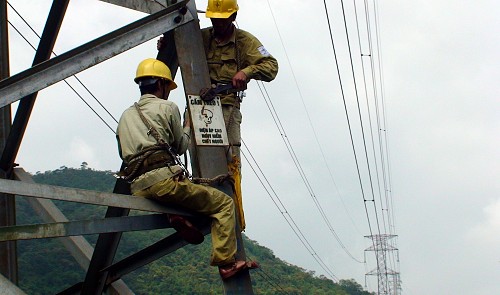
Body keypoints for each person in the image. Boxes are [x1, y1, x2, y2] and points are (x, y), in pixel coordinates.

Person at [116, 58, 257, 279]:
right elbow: (181, 146)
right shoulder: (167, 107)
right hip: (164, 183)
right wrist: (188, 126)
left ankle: (175, 215)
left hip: (139, 186)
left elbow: (123, 153)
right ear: (162, 85)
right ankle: (226, 263)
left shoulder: (126, 115)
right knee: (222, 205)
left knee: (187, 195)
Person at [157, 0, 279, 231]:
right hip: (199, 107)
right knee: (192, 153)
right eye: (214, 19)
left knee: (229, 163)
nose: (217, 24)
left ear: (233, 18)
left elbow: (271, 66)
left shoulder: (245, 42)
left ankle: (232, 215)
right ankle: (198, 207)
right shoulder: (201, 37)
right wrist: (167, 46)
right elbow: (177, 49)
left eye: (222, 20)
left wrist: (247, 71)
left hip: (226, 107)